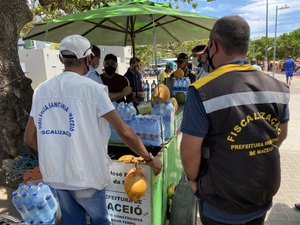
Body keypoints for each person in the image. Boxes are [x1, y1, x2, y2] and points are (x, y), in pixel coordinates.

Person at [23, 34, 162, 225]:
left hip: (57, 176)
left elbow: (29, 138)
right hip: (86, 176)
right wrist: (150, 159)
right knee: (99, 221)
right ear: (89, 58)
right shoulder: (94, 89)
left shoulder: (41, 90)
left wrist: (56, 152)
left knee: (73, 221)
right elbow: (125, 132)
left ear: (61, 59)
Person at [180, 16, 290, 225]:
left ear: (214, 45)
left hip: (220, 202)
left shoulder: (202, 90)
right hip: (261, 194)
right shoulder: (277, 87)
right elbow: (281, 135)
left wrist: (193, 180)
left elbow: (189, 150)